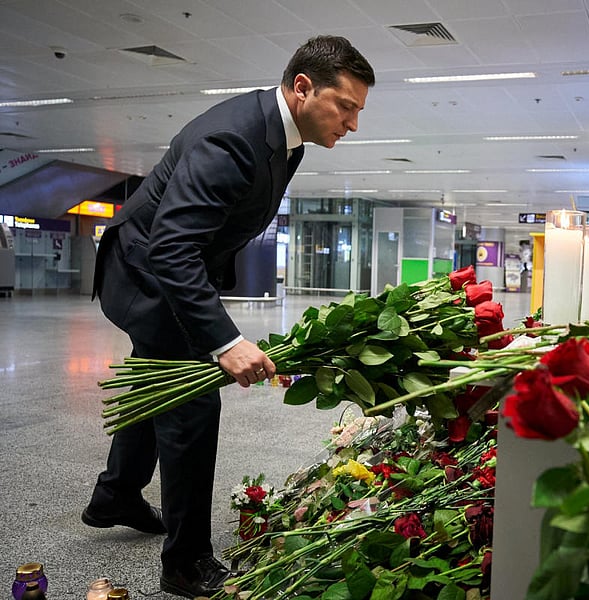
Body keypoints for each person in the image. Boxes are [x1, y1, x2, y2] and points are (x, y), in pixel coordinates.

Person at [81, 36, 375, 599]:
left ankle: (115, 493)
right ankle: (186, 564)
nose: (353, 123)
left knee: (158, 381)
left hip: (164, 267)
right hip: (144, 274)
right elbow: (171, 247)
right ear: (303, 87)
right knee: (192, 404)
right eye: (347, 107)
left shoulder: (288, 140)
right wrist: (224, 341)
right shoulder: (232, 139)